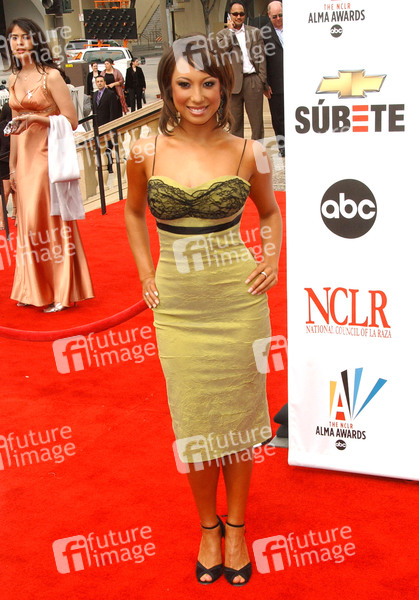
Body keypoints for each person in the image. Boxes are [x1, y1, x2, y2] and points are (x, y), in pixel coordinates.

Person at [125, 36, 282, 586]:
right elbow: (133, 214)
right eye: (185, 84)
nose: (197, 96)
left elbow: (269, 213)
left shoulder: (249, 151)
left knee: (237, 423)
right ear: (167, 88)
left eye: (208, 83)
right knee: (193, 425)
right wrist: (146, 273)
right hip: (179, 309)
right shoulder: (143, 151)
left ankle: (236, 527)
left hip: (238, 303)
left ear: (225, 85)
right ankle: (208, 527)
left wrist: (271, 258)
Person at [6, 18, 94, 312]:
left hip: (48, 156)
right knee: (28, 222)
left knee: (49, 221)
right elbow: (15, 129)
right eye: (13, 38)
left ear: (36, 40)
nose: (19, 43)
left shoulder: (52, 76)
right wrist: (13, 168)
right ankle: (32, 288)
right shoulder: (13, 79)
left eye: (24, 37)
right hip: (25, 160)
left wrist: (36, 119)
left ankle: (61, 291)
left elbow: (71, 120)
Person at [216, 2, 268, 140]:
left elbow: (262, 58)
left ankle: (257, 150)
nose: (238, 17)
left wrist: (261, 79)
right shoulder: (222, 35)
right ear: (229, 15)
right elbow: (221, 51)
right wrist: (230, 32)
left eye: (241, 14)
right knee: (235, 124)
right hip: (233, 83)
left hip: (253, 81)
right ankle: (238, 151)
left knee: (257, 123)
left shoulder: (254, 32)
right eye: (235, 14)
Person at [262, 1, 285, 155]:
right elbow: (261, 60)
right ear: (269, 15)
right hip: (275, 82)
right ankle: (283, 147)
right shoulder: (263, 33)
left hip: (295, 80)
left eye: (281, 15)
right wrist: (265, 83)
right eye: (275, 16)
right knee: (278, 118)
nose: (278, 19)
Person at [92, 74, 120, 173]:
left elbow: (113, 110)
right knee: (101, 145)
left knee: (110, 145)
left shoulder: (110, 94)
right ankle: (105, 164)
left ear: (104, 82)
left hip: (108, 123)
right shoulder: (94, 95)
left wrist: (112, 125)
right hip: (98, 124)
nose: (99, 83)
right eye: (97, 82)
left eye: (101, 81)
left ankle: (111, 165)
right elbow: (94, 110)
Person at [0, 102, 16, 229]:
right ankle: (2, 219)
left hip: (9, 160)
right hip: (6, 160)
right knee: (7, 191)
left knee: (14, 190)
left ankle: (15, 215)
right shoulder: (5, 127)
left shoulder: (16, 125)